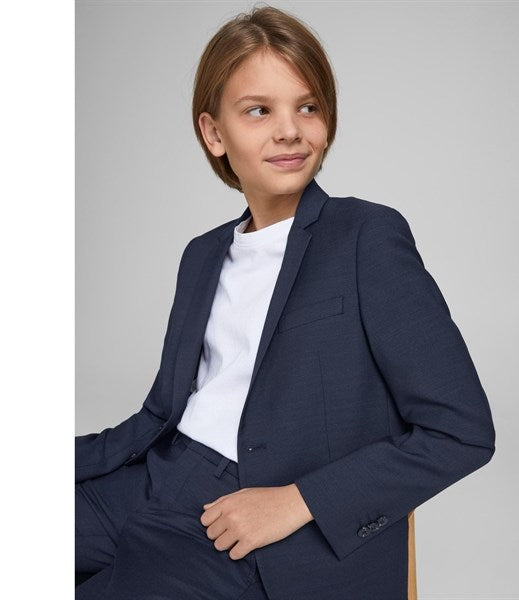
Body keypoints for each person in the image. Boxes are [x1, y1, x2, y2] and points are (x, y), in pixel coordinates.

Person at [75, 5, 496, 599]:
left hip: (243, 516)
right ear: (214, 133)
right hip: (157, 473)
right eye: (258, 110)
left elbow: (462, 431)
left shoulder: (364, 236)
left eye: (308, 106)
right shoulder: (201, 255)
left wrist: (297, 502)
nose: (290, 130)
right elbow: (160, 413)